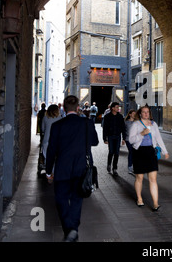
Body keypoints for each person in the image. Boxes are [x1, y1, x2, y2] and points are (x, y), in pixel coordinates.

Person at [45, 95, 99, 242]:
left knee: (61, 199)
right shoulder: (87, 123)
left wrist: (48, 171)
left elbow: (51, 150)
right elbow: (95, 142)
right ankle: (73, 229)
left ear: (63, 108)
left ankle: (69, 229)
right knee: (77, 199)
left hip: (62, 168)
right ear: (78, 108)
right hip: (81, 168)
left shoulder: (57, 126)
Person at [129, 105, 169, 211]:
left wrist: (165, 151)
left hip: (151, 152)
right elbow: (131, 140)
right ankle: (139, 198)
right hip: (139, 152)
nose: (146, 114)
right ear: (140, 113)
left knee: (153, 179)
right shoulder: (136, 124)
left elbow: (158, 138)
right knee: (140, 178)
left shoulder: (154, 124)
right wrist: (142, 133)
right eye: (144, 112)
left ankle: (155, 203)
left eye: (148, 112)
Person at [103, 102, 126, 176]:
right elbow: (105, 128)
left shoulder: (120, 117)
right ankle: (109, 165)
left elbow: (123, 128)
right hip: (110, 136)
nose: (118, 108)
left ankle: (115, 168)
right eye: (116, 107)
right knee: (111, 151)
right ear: (112, 108)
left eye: (118, 107)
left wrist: (124, 138)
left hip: (118, 136)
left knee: (117, 153)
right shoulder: (107, 116)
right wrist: (105, 139)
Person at [41, 104, 62, 174]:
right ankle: (54, 172)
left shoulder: (45, 118)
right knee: (56, 158)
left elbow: (42, 129)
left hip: (46, 140)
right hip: (57, 141)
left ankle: (49, 174)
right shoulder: (60, 118)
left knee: (47, 158)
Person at [125, 109, 137, 174]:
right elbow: (123, 131)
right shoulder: (126, 122)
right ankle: (130, 167)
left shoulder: (137, 122)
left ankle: (135, 167)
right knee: (131, 152)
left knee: (135, 153)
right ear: (130, 114)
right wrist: (123, 139)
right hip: (128, 139)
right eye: (133, 113)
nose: (134, 115)